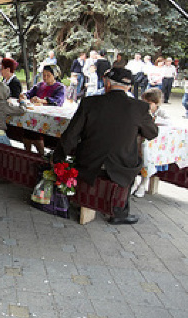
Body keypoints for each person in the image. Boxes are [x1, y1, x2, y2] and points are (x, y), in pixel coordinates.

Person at [53, 68, 158, 225]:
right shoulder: (140, 108)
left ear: (107, 84)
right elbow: (152, 133)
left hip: (88, 162)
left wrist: (58, 158)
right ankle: (119, 212)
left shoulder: (89, 103)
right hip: (122, 167)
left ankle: (82, 199)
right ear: (128, 87)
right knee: (135, 160)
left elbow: (71, 135)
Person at [132, 88, 169, 198]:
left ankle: (143, 183)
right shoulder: (141, 111)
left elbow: (168, 122)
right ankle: (134, 183)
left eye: (149, 103)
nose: (146, 105)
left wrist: (155, 120)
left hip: (153, 144)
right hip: (139, 141)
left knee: (147, 159)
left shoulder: (161, 113)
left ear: (156, 103)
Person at [20, 64, 65, 155]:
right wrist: (24, 96)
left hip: (48, 118)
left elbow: (58, 101)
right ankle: (27, 154)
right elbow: (29, 94)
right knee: (27, 131)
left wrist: (42, 101)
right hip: (35, 116)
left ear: (55, 75)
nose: (45, 77)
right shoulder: (40, 85)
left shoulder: (60, 87)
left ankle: (41, 154)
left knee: (36, 134)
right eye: (43, 75)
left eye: (48, 75)